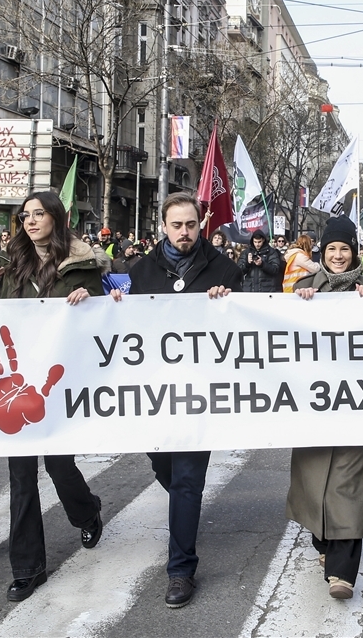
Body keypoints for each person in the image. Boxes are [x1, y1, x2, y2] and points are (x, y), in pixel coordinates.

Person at [109, 192, 242, 609]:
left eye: (191, 225)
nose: (184, 232)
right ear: (163, 227)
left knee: (186, 478)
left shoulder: (225, 270)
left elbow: (247, 325)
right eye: (176, 225)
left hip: (200, 393)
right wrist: (115, 308)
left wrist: (229, 304)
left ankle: (180, 570)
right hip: (155, 392)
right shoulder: (141, 270)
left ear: (201, 224)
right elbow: (128, 326)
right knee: (161, 463)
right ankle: (186, 506)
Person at [0, 191, 105, 602]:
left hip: (61, 384)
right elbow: (3, 317)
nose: (30, 222)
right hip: (20, 384)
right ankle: (27, 568)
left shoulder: (82, 268)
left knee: (60, 467)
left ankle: (86, 511)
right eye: (24, 216)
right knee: (20, 476)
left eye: (38, 214)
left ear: (57, 218)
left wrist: (91, 301)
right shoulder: (14, 270)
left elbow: (108, 322)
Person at [289, 216, 363, 601]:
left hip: (358, 404)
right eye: (331, 250)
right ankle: (324, 544)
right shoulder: (304, 287)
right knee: (313, 483)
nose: (338, 256)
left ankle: (342, 572)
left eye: (344, 249)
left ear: (353, 251)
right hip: (314, 404)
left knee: (348, 485)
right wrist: (299, 305)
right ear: (322, 253)